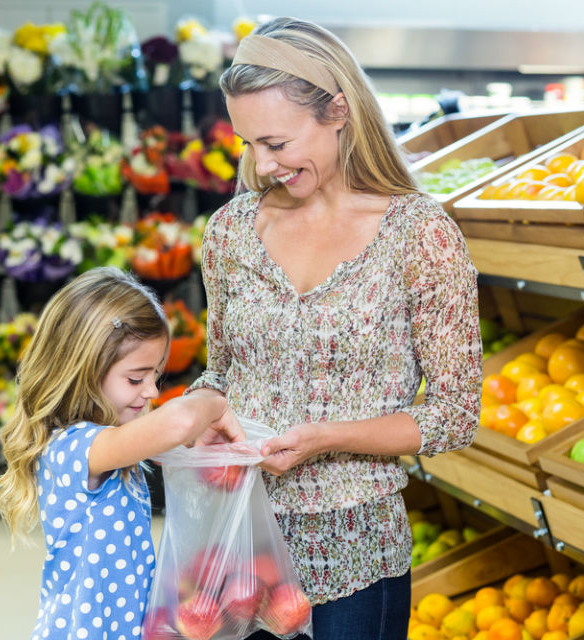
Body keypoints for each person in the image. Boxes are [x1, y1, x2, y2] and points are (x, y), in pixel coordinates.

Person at [186, 17, 482, 640]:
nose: (261, 165)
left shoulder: (419, 235)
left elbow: (454, 415)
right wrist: (201, 414)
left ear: (338, 111)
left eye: (276, 142)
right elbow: (221, 372)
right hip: (240, 542)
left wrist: (326, 437)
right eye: (247, 145)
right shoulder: (231, 233)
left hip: (356, 552)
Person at [0, 267, 241, 640]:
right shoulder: (74, 446)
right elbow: (176, 424)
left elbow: (172, 442)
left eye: (157, 376)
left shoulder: (115, 439)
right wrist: (213, 403)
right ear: (84, 369)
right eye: (136, 379)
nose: (152, 391)